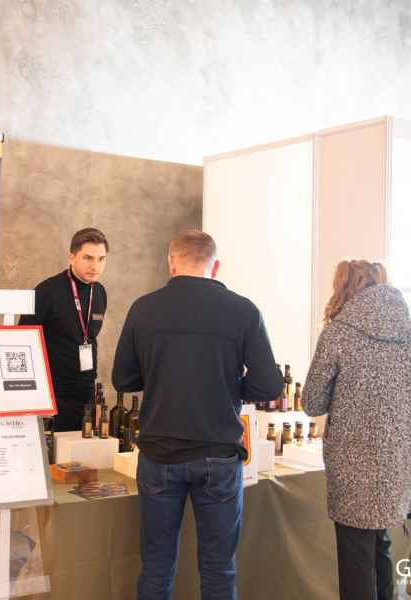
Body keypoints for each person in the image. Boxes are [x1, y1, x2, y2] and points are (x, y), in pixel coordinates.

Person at [112, 229, 282, 600]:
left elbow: (122, 379)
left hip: (158, 453)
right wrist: (230, 389)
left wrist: (160, 376)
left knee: (156, 565)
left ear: (171, 263)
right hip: (218, 454)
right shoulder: (243, 311)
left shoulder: (144, 308)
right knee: (219, 569)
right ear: (215, 266)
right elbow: (269, 386)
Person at [302, 259, 411, 600]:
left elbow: (311, 403)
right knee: (380, 543)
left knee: (355, 556)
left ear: (344, 289)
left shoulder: (337, 334)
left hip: (351, 467)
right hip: (399, 467)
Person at [19, 228, 108, 432]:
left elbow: (89, 337)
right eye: (88, 258)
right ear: (71, 257)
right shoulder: (46, 291)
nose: (95, 266)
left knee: (82, 449)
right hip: (52, 392)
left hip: (86, 391)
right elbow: (23, 341)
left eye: (101, 259)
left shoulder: (99, 292)